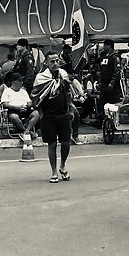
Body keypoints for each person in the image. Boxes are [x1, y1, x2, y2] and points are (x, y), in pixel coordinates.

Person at [31, 53, 76, 183]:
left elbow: (67, 92)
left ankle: (62, 166)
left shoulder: (63, 74)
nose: (55, 64)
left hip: (63, 113)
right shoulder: (41, 78)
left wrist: (70, 108)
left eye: (57, 61)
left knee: (66, 142)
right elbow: (35, 97)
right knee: (52, 144)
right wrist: (41, 113)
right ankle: (54, 171)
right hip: (48, 115)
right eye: (52, 61)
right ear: (46, 63)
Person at [1, 72, 37, 136]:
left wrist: (27, 106)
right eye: (20, 81)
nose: (22, 82)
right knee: (13, 117)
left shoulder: (23, 91)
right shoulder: (7, 91)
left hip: (25, 109)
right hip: (14, 110)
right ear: (13, 82)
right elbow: (5, 104)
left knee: (36, 114)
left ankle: (27, 130)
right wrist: (17, 107)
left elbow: (29, 102)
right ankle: (25, 131)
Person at [96, 39, 122, 107]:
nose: (103, 47)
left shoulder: (114, 57)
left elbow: (117, 71)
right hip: (104, 85)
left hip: (112, 86)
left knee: (113, 104)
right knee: (102, 103)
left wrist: (112, 82)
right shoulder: (105, 56)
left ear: (109, 46)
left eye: (105, 46)